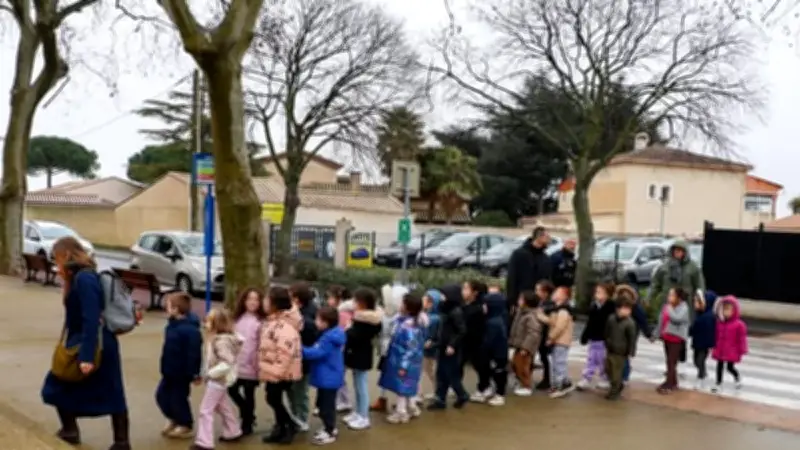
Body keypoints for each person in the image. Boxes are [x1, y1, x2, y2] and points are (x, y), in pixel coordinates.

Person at [41, 236, 131, 450]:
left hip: (94, 344)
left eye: (57, 259)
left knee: (109, 392)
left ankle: (120, 442)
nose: (56, 265)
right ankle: (75, 431)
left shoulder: (85, 279)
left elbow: (92, 317)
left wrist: (87, 355)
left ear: (65, 255)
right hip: (87, 342)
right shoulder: (80, 276)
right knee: (103, 390)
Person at [191, 308, 243, 450]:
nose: (205, 323)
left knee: (205, 410)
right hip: (220, 380)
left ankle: (204, 442)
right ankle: (233, 431)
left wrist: (209, 374)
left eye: (209, 321)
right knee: (223, 406)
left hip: (217, 380)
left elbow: (226, 363)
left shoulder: (220, 341)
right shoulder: (218, 339)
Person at [258, 287, 303, 444]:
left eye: (266, 299)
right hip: (273, 370)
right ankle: (281, 428)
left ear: (274, 304)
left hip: (280, 372)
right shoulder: (274, 321)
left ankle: (290, 425)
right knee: (273, 397)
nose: (263, 302)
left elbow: (285, 352)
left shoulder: (284, 325)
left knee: (273, 398)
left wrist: (276, 371)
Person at [156, 292, 202, 439]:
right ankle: (174, 418)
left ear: (176, 309)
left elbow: (194, 354)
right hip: (169, 370)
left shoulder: (191, 331)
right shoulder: (171, 326)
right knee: (161, 396)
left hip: (182, 373)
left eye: (168, 306)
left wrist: (194, 373)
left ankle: (185, 423)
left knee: (178, 398)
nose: (166, 309)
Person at [379, 293, 426, 424]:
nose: (400, 305)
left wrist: (404, 365)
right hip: (406, 361)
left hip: (404, 362)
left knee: (402, 388)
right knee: (408, 386)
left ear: (408, 307)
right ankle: (411, 407)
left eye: (402, 303)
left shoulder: (409, 326)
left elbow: (412, 348)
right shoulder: (407, 322)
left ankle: (401, 413)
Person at [303, 305, 347, 445]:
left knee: (326, 407)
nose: (316, 322)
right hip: (328, 377)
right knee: (323, 405)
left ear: (325, 322)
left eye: (318, 319)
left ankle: (330, 431)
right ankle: (329, 428)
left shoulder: (328, 338)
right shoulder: (331, 335)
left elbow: (316, 353)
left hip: (328, 378)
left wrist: (299, 348)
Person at [343, 288, 383, 430]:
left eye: (356, 301)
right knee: (357, 384)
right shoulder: (364, 317)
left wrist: (347, 329)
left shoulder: (365, 320)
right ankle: (358, 412)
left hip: (361, 356)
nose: (353, 303)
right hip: (358, 355)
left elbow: (353, 337)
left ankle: (364, 417)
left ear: (363, 303)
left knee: (361, 386)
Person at [228, 288, 266, 436]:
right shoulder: (237, 319)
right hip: (236, 362)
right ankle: (247, 413)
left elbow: (262, 343)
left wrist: (258, 362)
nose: (252, 302)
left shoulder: (261, 321)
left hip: (252, 364)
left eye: (256, 299)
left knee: (249, 393)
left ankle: (247, 423)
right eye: (250, 299)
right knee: (232, 389)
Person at [428, 285, 469, 410]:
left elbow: (461, 330)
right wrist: (435, 340)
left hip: (450, 349)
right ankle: (440, 399)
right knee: (441, 374)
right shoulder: (444, 309)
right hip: (443, 346)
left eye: (443, 294)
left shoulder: (455, 311)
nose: (441, 297)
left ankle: (462, 394)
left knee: (450, 374)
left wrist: (452, 345)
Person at [371, 284, 409, 412]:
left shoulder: (402, 318)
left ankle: (406, 403)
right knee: (385, 374)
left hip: (396, 351)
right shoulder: (388, 313)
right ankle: (382, 399)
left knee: (401, 377)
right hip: (386, 349)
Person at [288, 282, 318, 432]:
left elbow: (307, 337)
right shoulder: (307, 311)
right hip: (298, 359)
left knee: (299, 390)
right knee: (295, 390)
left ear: (297, 299)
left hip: (301, 360)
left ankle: (301, 418)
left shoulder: (304, 318)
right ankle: (296, 416)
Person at [536, 286, 575, 398]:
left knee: (559, 363)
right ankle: (561, 383)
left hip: (561, 341)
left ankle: (561, 386)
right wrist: (541, 316)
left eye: (557, 293)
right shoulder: (556, 309)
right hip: (558, 341)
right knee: (556, 362)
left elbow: (559, 327)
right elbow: (552, 322)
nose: (554, 294)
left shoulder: (563, 310)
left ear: (564, 296)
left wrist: (550, 338)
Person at [647, 241, 705, 315]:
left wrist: (700, 299)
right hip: (668, 302)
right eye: (676, 250)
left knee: (686, 324)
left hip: (686, 304)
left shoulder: (692, 267)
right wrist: (649, 298)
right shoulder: (664, 267)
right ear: (672, 251)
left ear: (685, 252)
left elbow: (700, 285)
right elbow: (655, 284)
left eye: (681, 250)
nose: (678, 252)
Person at [577, 282, 617, 390]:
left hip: (604, 339)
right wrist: (585, 335)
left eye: (600, 292)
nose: (597, 294)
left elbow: (612, 324)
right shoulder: (594, 306)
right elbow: (590, 322)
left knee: (602, 360)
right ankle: (586, 378)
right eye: (596, 292)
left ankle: (605, 378)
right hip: (594, 338)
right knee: (591, 358)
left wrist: (610, 338)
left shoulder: (611, 307)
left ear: (608, 294)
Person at [506, 226, 553, 313]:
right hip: (522, 300)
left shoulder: (545, 258)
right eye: (547, 237)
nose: (550, 240)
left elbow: (547, 279)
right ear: (539, 237)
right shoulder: (519, 254)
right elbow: (512, 278)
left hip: (538, 302)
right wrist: (512, 301)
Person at [461, 280, 492, 403]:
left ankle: (485, 388)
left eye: (466, 288)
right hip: (467, 343)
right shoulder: (466, 306)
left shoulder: (478, 308)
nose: (463, 291)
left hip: (476, 343)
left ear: (475, 292)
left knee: (480, 365)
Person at [654, 287, 690, 394]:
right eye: (669, 295)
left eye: (672, 295)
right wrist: (655, 334)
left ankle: (669, 384)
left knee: (671, 361)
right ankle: (672, 382)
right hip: (667, 337)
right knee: (669, 361)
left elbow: (677, 318)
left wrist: (669, 308)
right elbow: (661, 320)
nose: (669, 297)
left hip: (677, 338)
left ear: (678, 298)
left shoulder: (683, 307)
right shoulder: (666, 306)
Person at [711, 295, 748, 393]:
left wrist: (742, 349)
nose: (726, 312)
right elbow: (715, 335)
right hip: (720, 349)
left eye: (728, 310)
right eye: (724, 310)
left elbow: (742, 339)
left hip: (731, 350)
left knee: (730, 367)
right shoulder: (719, 323)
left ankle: (737, 378)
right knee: (719, 366)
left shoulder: (739, 325)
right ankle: (718, 383)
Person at [326, 285, 353, 413]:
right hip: (342, 350)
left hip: (341, 351)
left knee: (337, 376)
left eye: (330, 297)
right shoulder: (343, 312)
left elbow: (341, 332)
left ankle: (340, 401)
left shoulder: (341, 313)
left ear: (339, 298)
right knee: (340, 377)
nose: (328, 301)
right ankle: (345, 401)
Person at [509, 290, 542, 396]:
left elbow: (533, 334)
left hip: (525, 347)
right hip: (519, 345)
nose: (518, 301)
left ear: (527, 302)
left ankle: (526, 386)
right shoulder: (521, 312)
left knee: (523, 366)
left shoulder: (530, 316)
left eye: (521, 299)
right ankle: (521, 383)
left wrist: (526, 348)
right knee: (516, 364)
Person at [603, 297, 637, 400]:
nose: (628, 311)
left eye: (629, 309)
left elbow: (632, 338)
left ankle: (614, 392)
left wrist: (631, 351)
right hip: (610, 349)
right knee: (608, 369)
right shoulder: (611, 319)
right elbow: (607, 332)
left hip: (621, 352)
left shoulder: (630, 323)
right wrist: (607, 342)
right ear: (618, 309)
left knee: (616, 374)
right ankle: (618, 385)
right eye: (625, 308)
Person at [481, 291, 510, 406]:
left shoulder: (493, 322)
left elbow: (489, 341)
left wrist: (484, 349)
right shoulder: (500, 317)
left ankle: (500, 395)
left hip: (497, 353)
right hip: (500, 352)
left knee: (499, 373)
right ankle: (497, 392)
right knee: (498, 372)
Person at [619, 284, 653, 383]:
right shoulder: (617, 306)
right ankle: (618, 374)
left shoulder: (636, 309)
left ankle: (624, 376)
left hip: (630, 335)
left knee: (625, 356)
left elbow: (643, 322)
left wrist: (648, 334)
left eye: (627, 295)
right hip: (618, 334)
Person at [689, 290, 717, 391]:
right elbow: (694, 328)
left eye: (698, 302)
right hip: (697, 342)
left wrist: (712, 342)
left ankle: (700, 377)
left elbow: (712, 331)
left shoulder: (710, 317)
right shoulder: (698, 314)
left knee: (700, 360)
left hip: (704, 344)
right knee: (695, 361)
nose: (695, 304)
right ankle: (703, 372)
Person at [421, 289, 443, 399]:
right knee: (428, 371)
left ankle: (438, 392)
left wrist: (432, 342)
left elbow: (436, 335)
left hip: (432, 350)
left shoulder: (434, 318)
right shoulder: (428, 315)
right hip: (427, 349)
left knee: (431, 372)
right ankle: (436, 392)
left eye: (426, 300)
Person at [534, 280, 556, 390]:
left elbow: (548, 319)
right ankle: (547, 379)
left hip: (546, 335)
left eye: (538, 290)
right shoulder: (540, 303)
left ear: (545, 293)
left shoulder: (550, 305)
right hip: (540, 334)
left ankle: (547, 379)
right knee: (543, 357)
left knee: (545, 357)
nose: (536, 292)